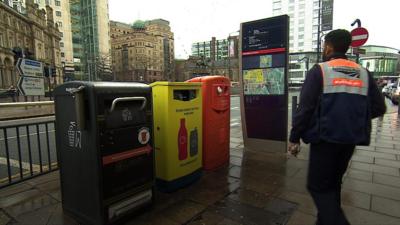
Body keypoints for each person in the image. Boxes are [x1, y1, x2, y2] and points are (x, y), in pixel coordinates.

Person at [288, 29, 386, 225]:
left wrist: (294, 137)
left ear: (329, 47)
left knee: (317, 186)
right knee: (333, 184)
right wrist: (354, 119)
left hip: (324, 139)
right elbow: (378, 107)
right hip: (350, 140)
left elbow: (305, 108)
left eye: (325, 45)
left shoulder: (320, 70)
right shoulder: (364, 73)